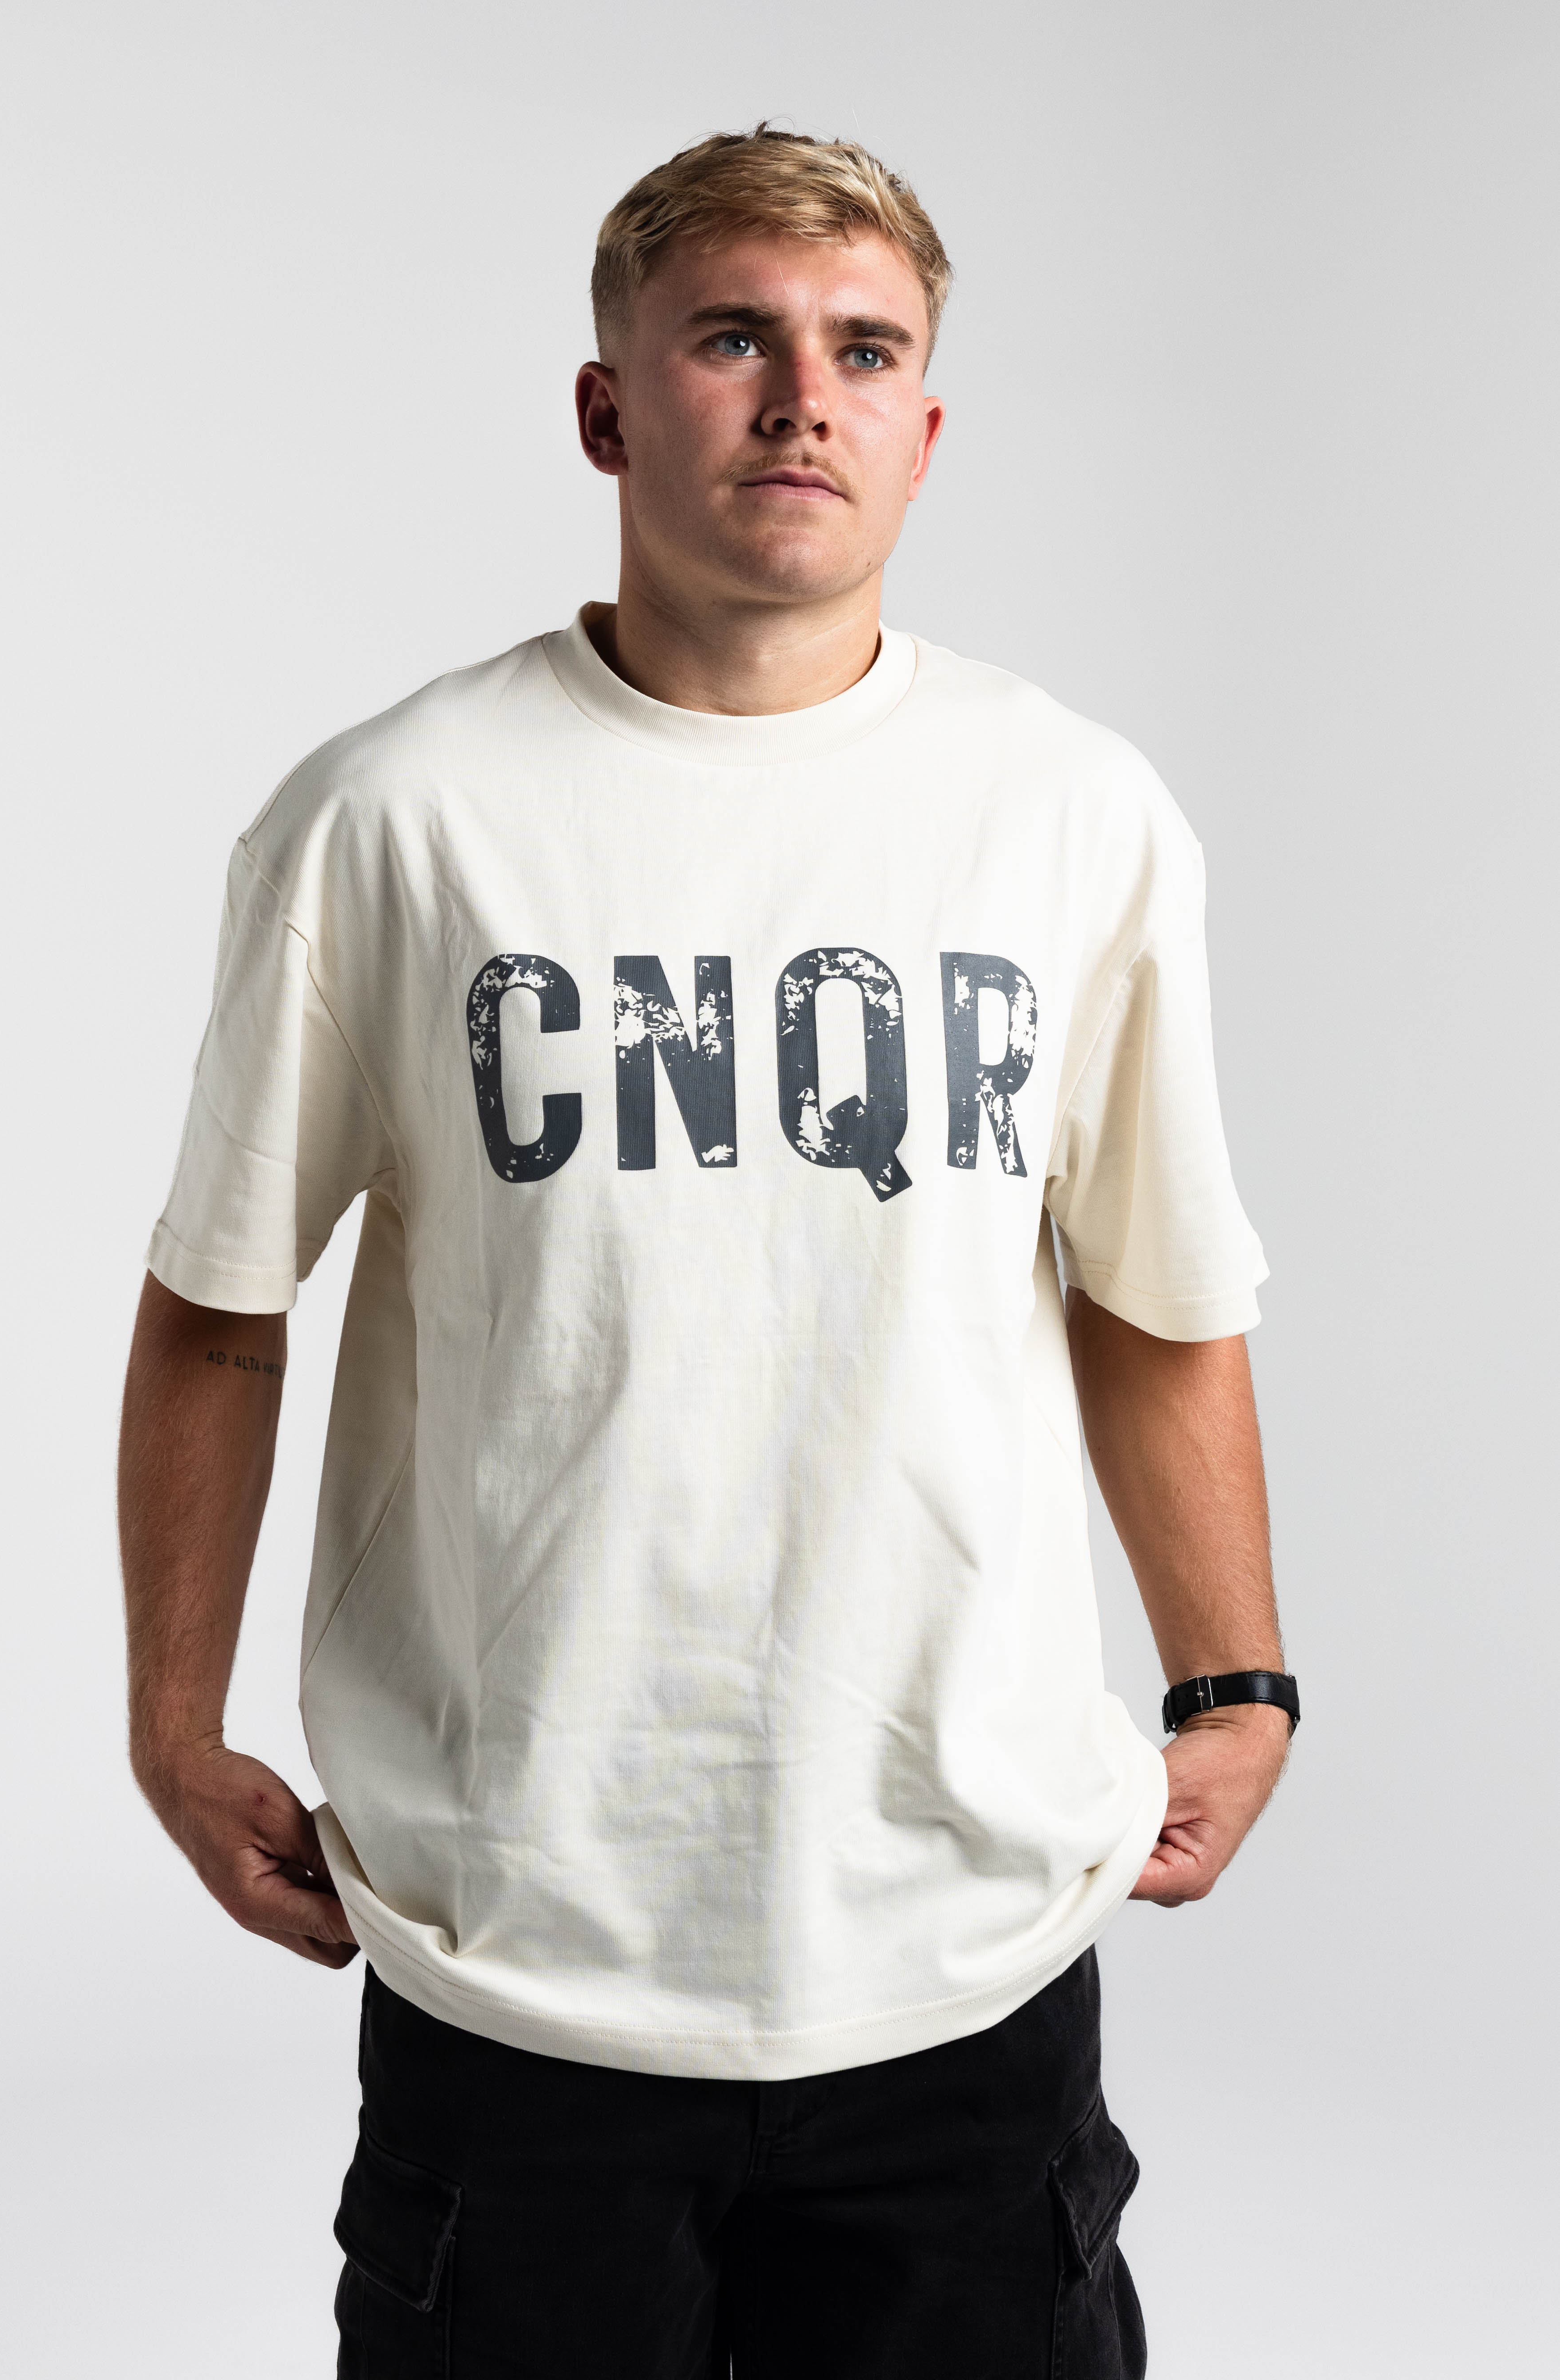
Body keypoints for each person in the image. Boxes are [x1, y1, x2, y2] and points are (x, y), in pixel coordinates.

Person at [119, 124, 1295, 2380]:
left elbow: (1157, 1295)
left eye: (862, 349)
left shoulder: (1070, 814)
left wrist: (1234, 1679)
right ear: (605, 408)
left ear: (925, 430)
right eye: (732, 338)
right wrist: (174, 1725)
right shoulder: (393, 817)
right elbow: (217, 1307)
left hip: (959, 1940)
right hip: (522, 1947)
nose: (799, 398)